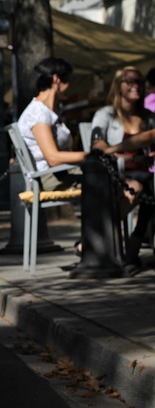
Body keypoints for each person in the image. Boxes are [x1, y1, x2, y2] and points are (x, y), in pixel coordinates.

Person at [91, 66, 155, 272]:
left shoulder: (148, 116)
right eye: (130, 82)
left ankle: (130, 251)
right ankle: (108, 243)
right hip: (116, 174)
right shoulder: (106, 114)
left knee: (150, 188)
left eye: (139, 82)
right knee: (137, 187)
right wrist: (127, 155)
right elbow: (98, 147)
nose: (136, 86)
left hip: (146, 172)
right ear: (118, 87)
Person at [17, 57, 86, 192]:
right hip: (49, 177)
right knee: (107, 184)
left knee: (109, 181)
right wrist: (90, 156)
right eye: (68, 80)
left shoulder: (46, 111)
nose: (70, 86)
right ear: (56, 80)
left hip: (60, 173)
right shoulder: (39, 113)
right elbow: (53, 158)